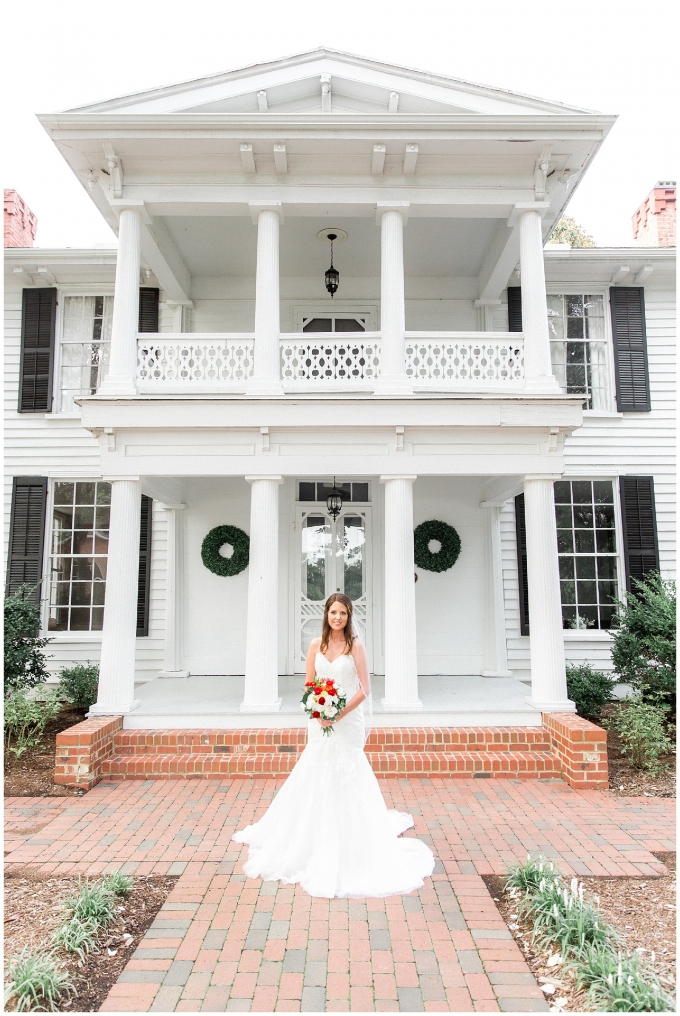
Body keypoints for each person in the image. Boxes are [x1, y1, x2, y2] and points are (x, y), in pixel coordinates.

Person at [232, 593, 434, 898]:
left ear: (349, 616)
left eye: (342, 613)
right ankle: (309, 835)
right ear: (326, 615)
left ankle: (354, 838)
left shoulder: (355, 647)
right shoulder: (316, 646)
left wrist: (338, 712)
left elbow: (365, 689)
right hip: (319, 721)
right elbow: (309, 685)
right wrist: (318, 711)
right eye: (333, 612)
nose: (337, 617)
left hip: (348, 721)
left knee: (347, 770)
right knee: (316, 768)